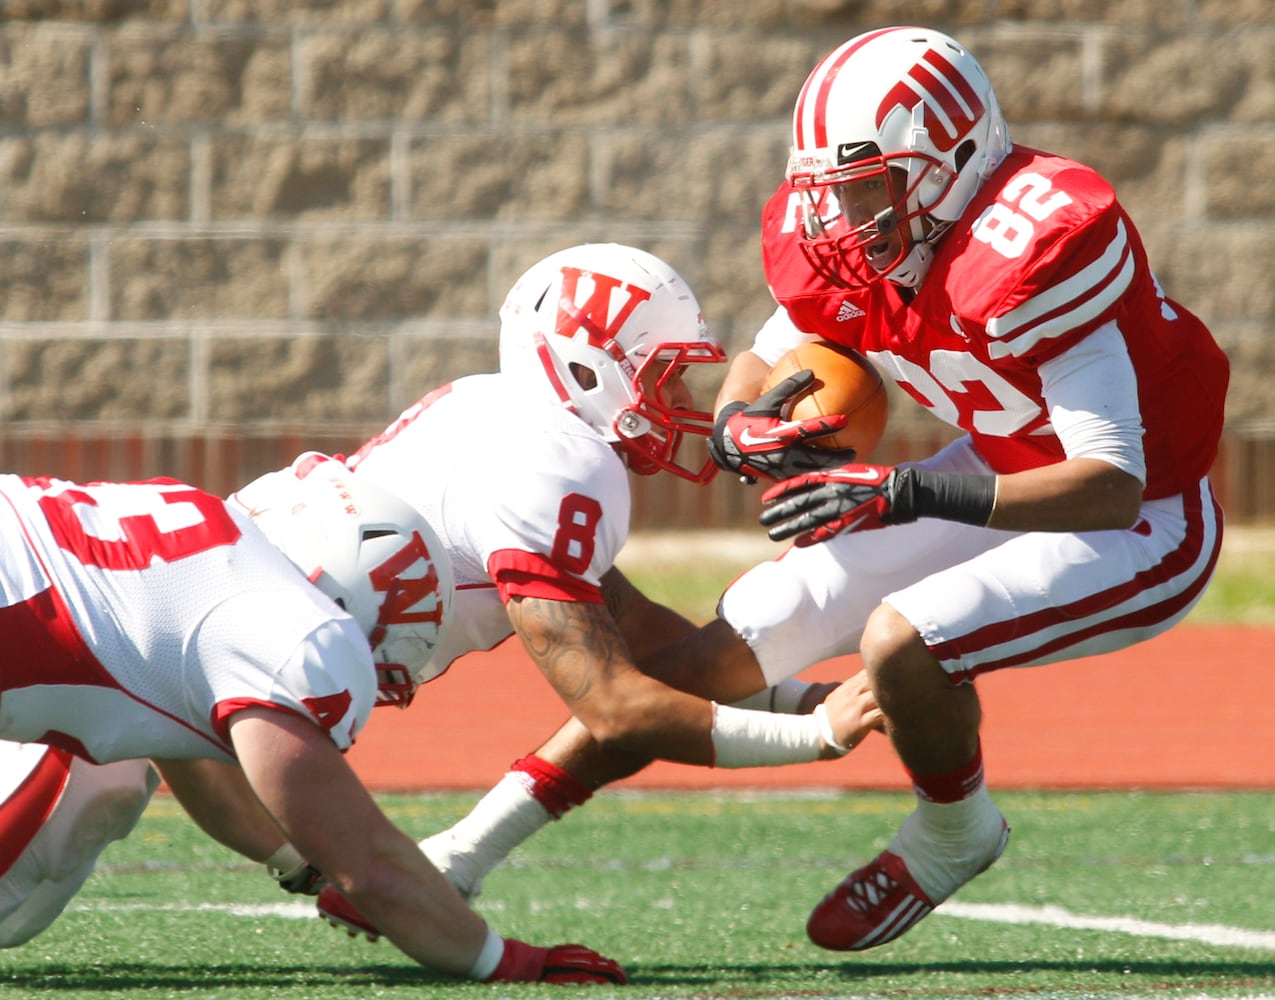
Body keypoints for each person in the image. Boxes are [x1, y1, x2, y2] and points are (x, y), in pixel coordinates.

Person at [387, 25, 1229, 955]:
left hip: (1148, 518)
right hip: (1002, 464)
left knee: (902, 639)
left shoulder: (1035, 250)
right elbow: (773, 342)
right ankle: (460, 853)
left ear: (951, 161)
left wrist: (905, 491)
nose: (838, 220)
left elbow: (1111, 484)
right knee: (731, 644)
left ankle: (953, 833)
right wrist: (739, 417)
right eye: (829, 193)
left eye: (867, 189)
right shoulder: (857, 239)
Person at [311, 243, 884, 934]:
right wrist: (816, 736)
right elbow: (617, 708)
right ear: (587, 369)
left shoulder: (493, 408)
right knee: (160, 788)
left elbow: (634, 625)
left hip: (251, 630)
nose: (683, 401)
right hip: (238, 656)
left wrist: (802, 698)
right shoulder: (556, 463)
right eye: (664, 375)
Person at [0, 459, 625, 983]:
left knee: (111, 756)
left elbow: (174, 743)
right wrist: (503, 960)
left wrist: (301, 862)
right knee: (82, 785)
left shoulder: (202, 525)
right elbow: (369, 861)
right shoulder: (298, 630)